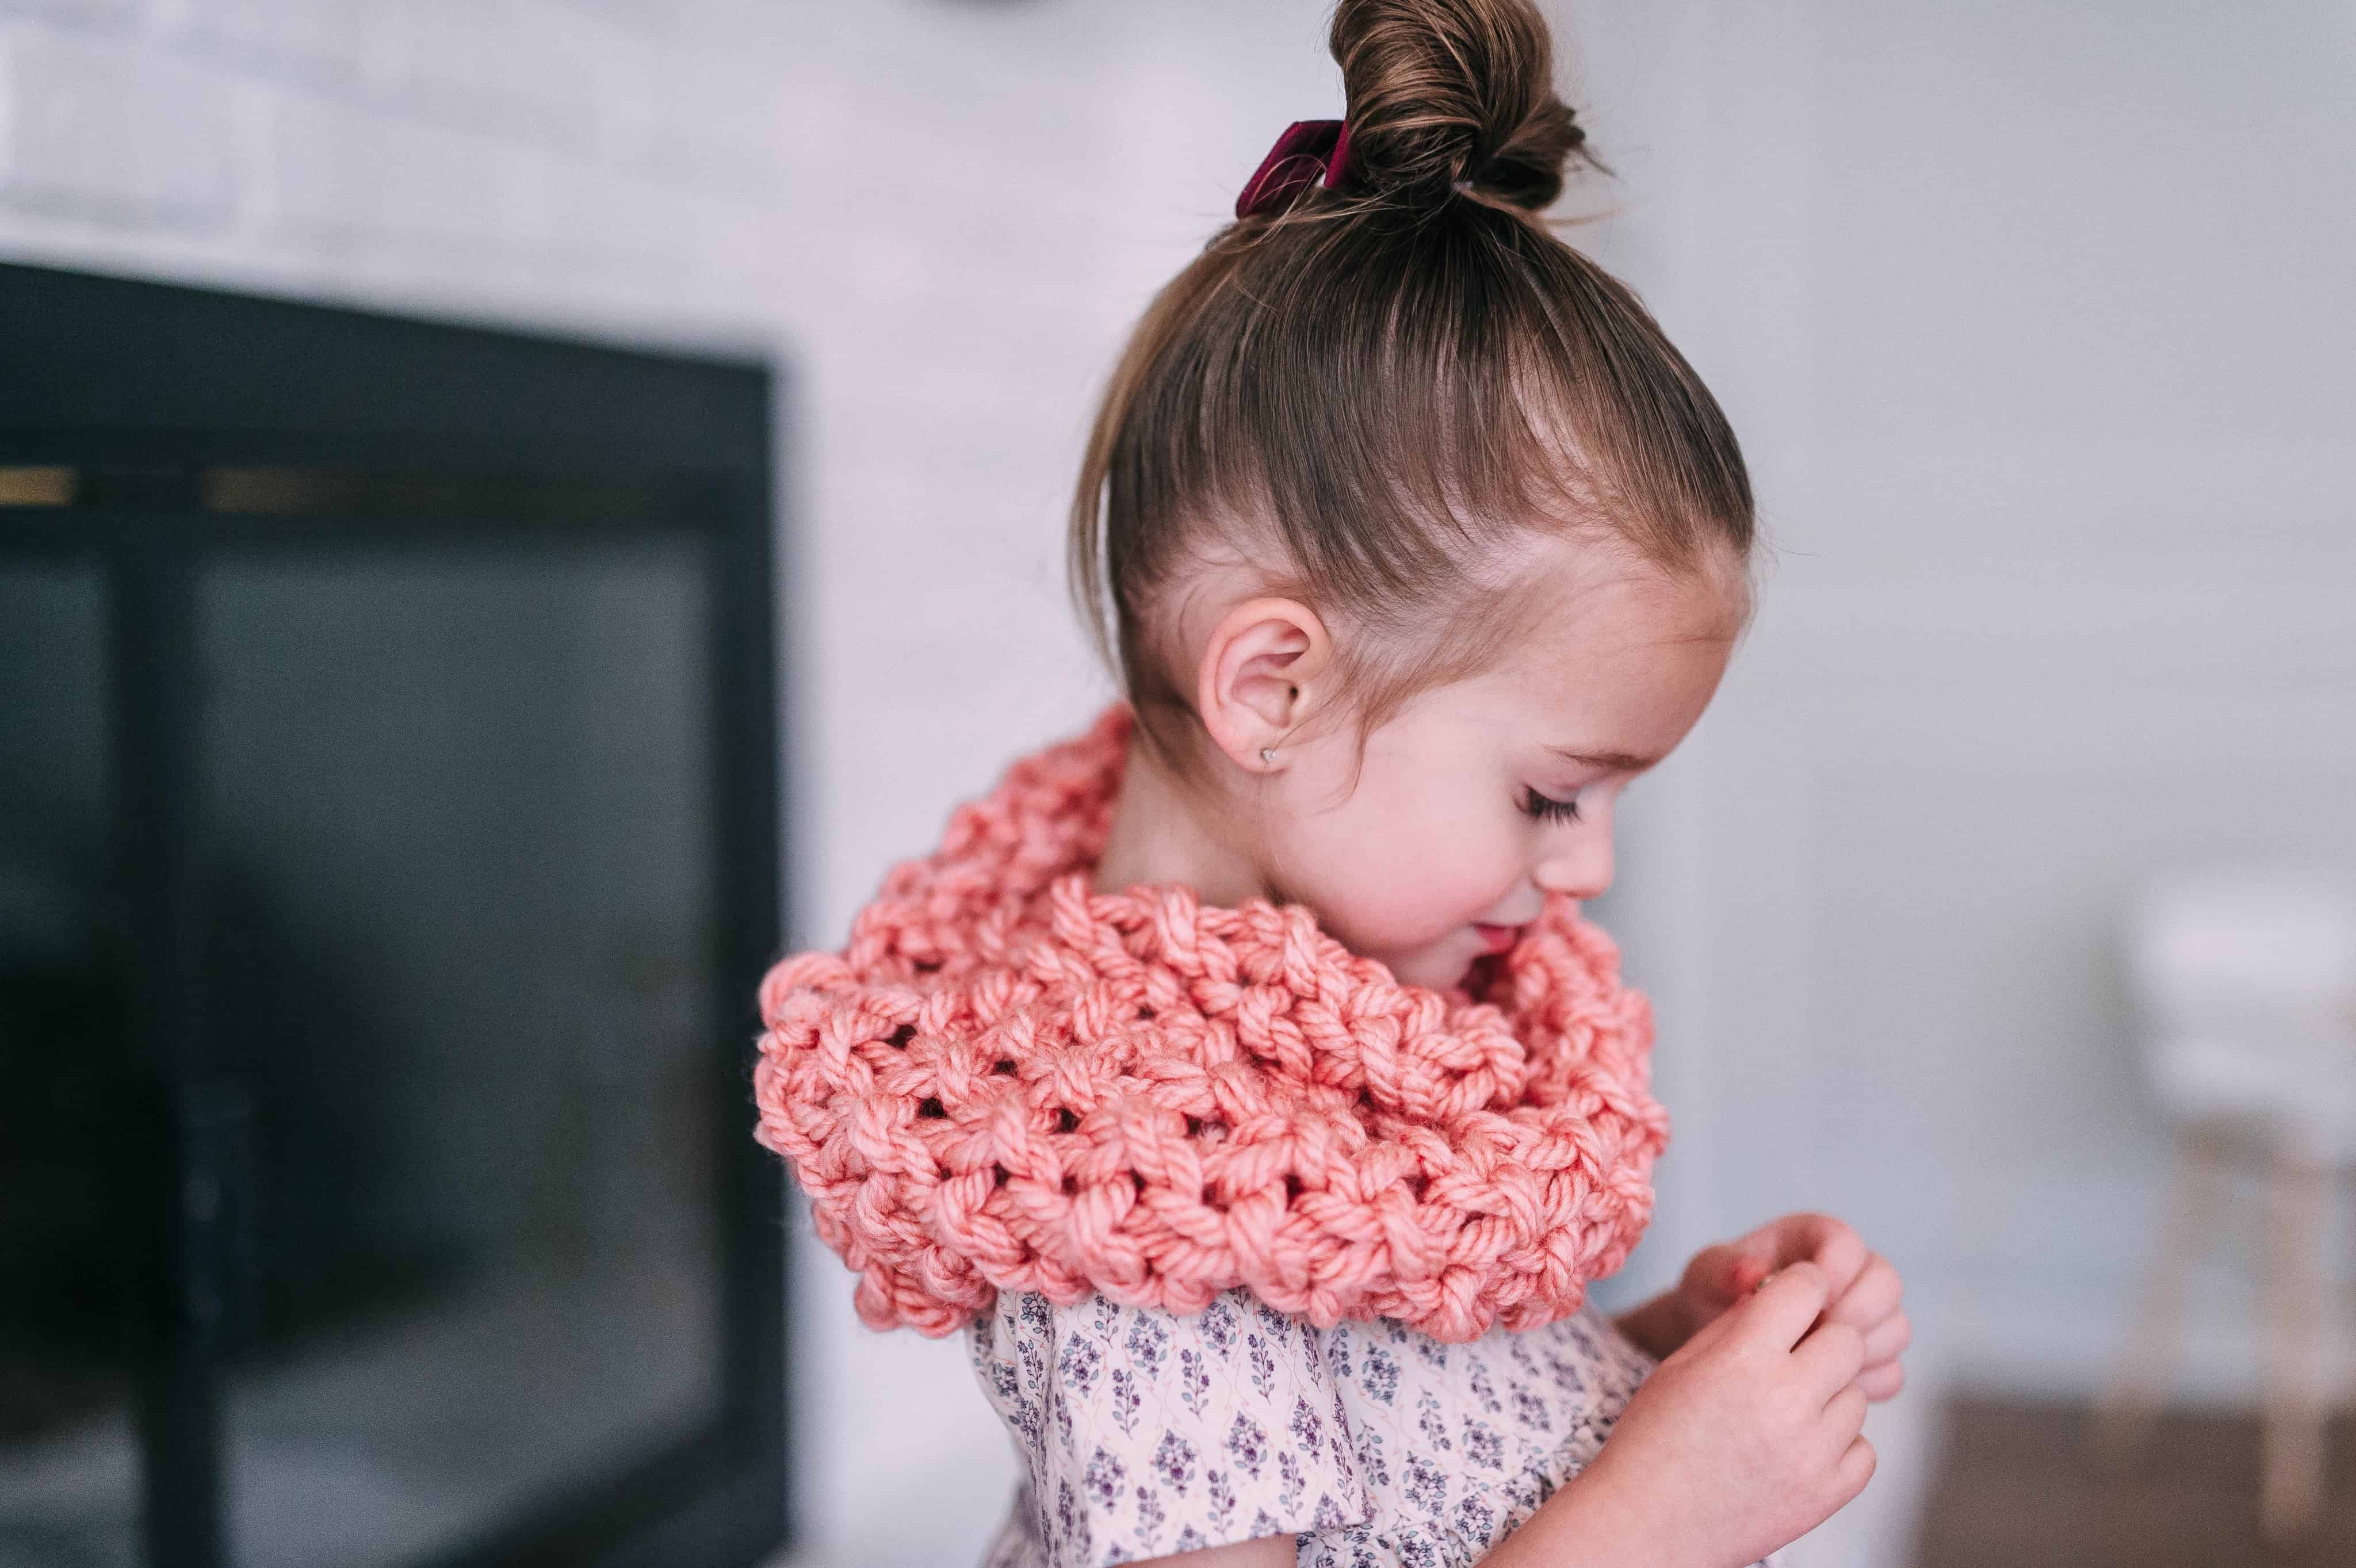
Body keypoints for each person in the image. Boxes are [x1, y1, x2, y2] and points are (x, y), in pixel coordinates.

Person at [752, 1, 1910, 1564]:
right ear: (1274, 689)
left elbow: (1403, 1449)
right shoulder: (1138, 1206)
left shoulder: (1345, 1048)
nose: (1586, 871)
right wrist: (1665, 1518)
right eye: (1553, 793)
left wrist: (1649, 1366)